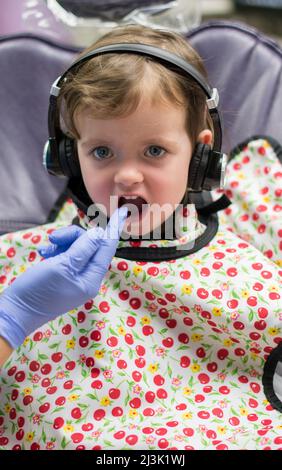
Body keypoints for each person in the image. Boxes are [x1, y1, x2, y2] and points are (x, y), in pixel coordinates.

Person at [0, 24, 281, 450]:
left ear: (200, 155)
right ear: (67, 157)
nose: (127, 176)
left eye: (154, 151)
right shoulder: (17, 269)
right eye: (101, 152)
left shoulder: (252, 275)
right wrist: (14, 317)